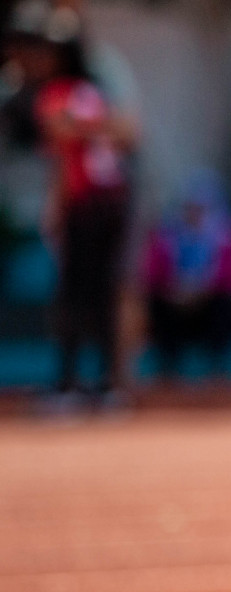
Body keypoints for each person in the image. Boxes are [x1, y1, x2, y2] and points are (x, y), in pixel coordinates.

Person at [11, 2, 134, 409]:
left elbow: (65, 159)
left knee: (74, 297)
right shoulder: (92, 93)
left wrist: (55, 211)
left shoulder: (59, 95)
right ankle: (106, 385)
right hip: (113, 203)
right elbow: (120, 131)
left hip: (87, 206)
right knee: (102, 295)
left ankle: (71, 385)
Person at [142, 171, 231, 383]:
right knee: (157, 302)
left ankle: (219, 369)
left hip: (209, 307)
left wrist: (201, 291)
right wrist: (176, 291)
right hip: (176, 305)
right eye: (190, 208)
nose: (195, 214)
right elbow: (152, 275)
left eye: (201, 209)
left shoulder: (227, 236)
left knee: (226, 304)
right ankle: (168, 369)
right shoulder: (167, 235)